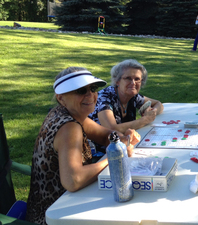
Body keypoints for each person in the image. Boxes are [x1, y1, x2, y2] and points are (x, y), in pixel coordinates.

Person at [26, 67, 140, 224]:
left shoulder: (69, 114)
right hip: (58, 215)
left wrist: (123, 138)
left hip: (58, 205)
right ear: (61, 98)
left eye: (93, 89)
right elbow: (73, 180)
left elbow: (104, 135)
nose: (90, 95)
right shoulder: (69, 128)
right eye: (80, 91)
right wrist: (115, 157)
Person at [89, 59, 163, 152]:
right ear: (117, 81)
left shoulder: (133, 96)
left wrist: (152, 112)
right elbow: (111, 129)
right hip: (101, 152)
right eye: (128, 78)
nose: (133, 83)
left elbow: (158, 104)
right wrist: (145, 120)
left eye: (137, 79)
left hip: (124, 146)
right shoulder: (104, 98)